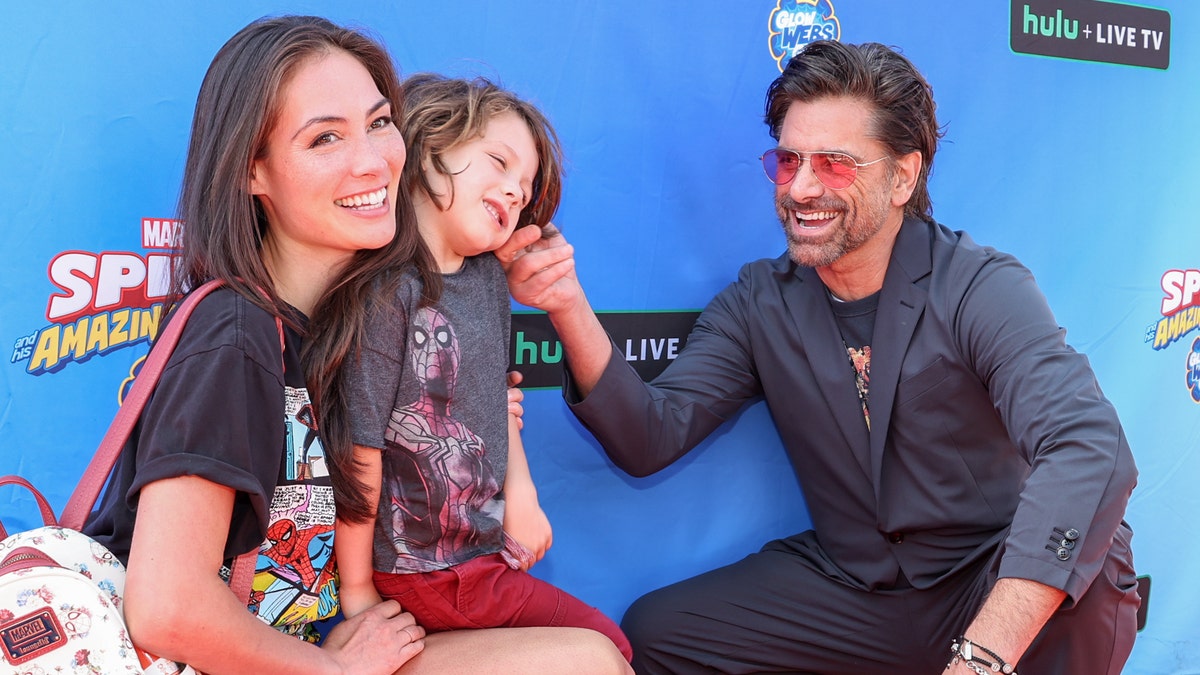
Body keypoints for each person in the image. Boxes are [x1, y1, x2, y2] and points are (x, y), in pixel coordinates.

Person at [499, 39, 1139, 674]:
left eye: (834, 164)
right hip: (860, 593)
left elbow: (1087, 445)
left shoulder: (979, 285)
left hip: (987, 581)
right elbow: (648, 437)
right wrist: (566, 304)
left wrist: (980, 659)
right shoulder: (761, 301)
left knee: (1091, 562)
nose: (801, 188)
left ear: (902, 176)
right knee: (661, 634)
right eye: (788, 161)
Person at [83, 15, 632, 674]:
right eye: (325, 138)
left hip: (307, 649)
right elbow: (168, 607)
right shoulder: (235, 334)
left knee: (593, 655)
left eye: (378, 123)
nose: (373, 160)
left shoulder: (346, 321)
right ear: (251, 170)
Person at [330, 73, 633, 662]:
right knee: (606, 646)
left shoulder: (488, 281)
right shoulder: (386, 293)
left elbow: (495, 396)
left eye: (524, 187)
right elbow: (357, 452)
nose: (514, 191)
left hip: (479, 557)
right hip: (428, 573)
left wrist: (523, 496)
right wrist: (359, 588)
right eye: (497, 161)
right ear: (427, 146)